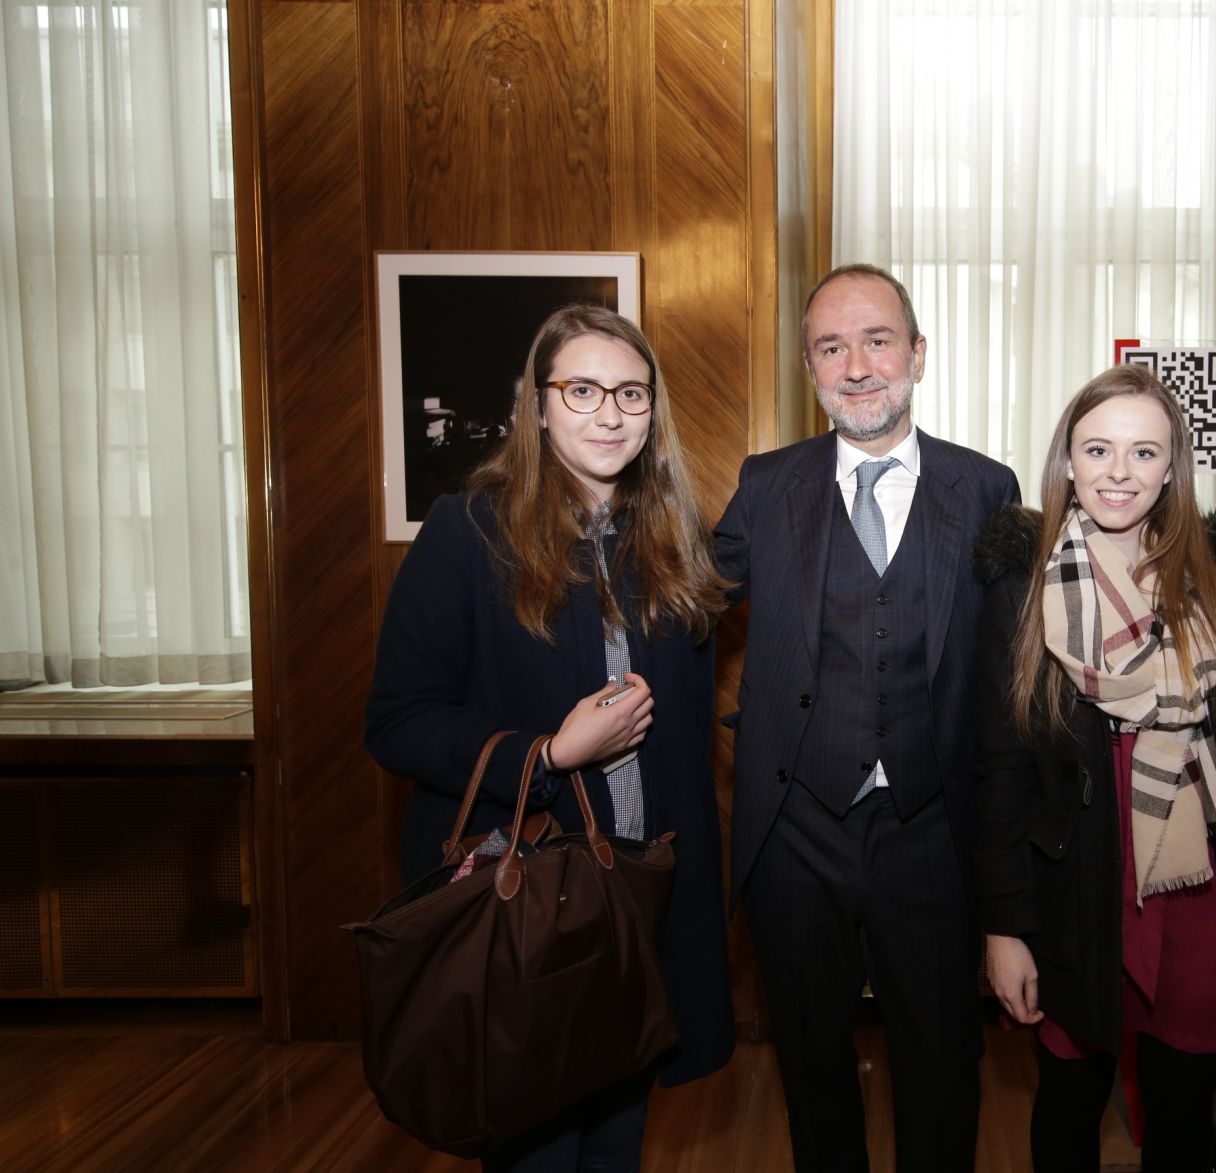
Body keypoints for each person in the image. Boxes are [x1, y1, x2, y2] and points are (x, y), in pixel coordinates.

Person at [364, 303, 734, 1172]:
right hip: (529, 904)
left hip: (638, 896)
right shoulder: (466, 532)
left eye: (631, 393)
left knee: (616, 1140)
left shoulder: (672, 540)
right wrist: (551, 754)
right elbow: (397, 721)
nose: (610, 413)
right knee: (536, 1146)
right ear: (536, 405)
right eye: (583, 390)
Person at [713, 264, 1020, 1172]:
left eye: (877, 341)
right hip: (796, 823)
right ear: (810, 366)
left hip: (932, 825)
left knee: (942, 1060)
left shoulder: (986, 489)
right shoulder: (767, 485)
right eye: (831, 347)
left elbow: (1017, 666)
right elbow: (681, 600)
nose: (855, 366)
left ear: (918, 354)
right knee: (811, 1062)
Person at [971, 363, 1216, 1172]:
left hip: (1193, 891)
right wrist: (1005, 926)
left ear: (1171, 466)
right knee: (1069, 1106)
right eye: (1098, 449)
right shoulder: (1024, 585)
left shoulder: (1214, 580)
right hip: (1076, 888)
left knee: (1183, 1116)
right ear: (1067, 460)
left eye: (1144, 452)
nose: (1119, 471)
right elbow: (1000, 771)